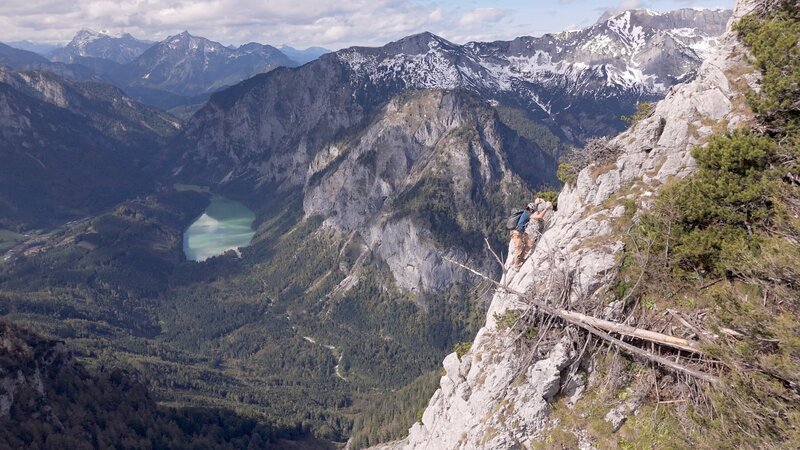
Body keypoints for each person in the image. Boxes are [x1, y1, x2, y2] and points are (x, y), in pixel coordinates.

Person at [510, 198, 551, 269]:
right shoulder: (528, 214)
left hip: (520, 233)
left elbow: (532, 208)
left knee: (529, 245)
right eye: (533, 210)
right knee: (519, 249)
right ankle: (516, 265)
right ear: (531, 210)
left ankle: (521, 259)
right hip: (517, 234)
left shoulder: (526, 211)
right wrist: (546, 208)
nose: (534, 211)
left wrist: (536, 203)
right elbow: (539, 216)